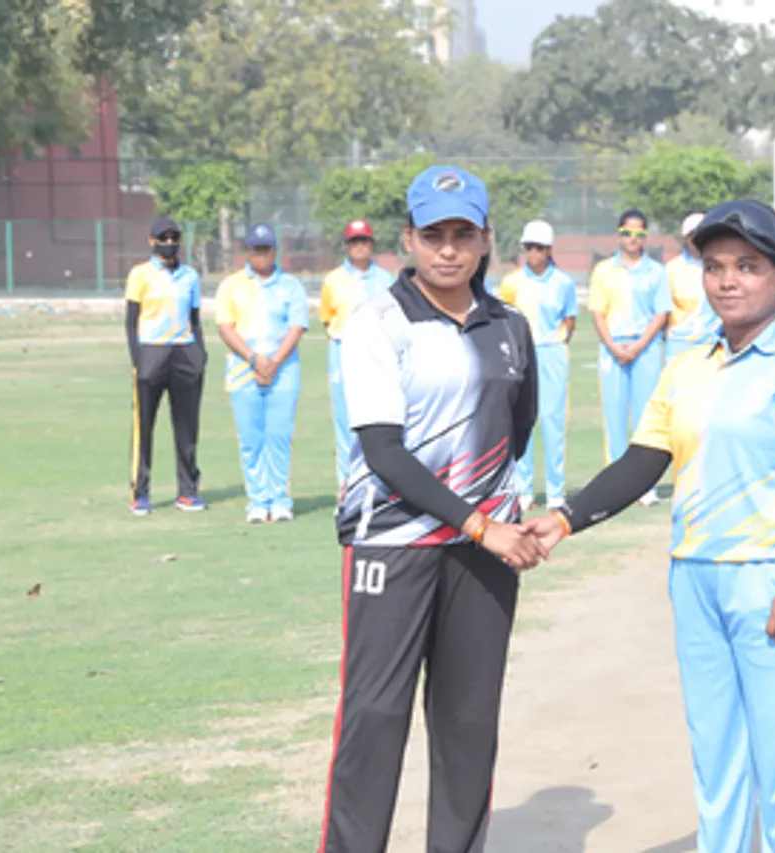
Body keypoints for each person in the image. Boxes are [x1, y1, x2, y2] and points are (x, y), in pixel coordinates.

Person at [526, 199, 775, 853]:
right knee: (716, 751)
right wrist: (564, 520)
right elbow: (643, 462)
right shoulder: (688, 366)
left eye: (748, 266)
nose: (728, 281)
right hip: (696, 577)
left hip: (772, 579)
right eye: (716, 266)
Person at [318, 165, 543, 853]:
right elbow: (384, 452)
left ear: (485, 240)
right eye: (433, 234)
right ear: (408, 238)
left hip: (483, 555)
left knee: (468, 723)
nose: (448, 249)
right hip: (394, 543)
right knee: (375, 718)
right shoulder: (378, 322)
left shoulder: (510, 327)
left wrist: (487, 523)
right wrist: (479, 522)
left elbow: (517, 427)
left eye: (463, 235)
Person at [215, 223, 308, 523]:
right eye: (256, 250)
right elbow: (225, 327)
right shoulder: (231, 285)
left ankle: (279, 499)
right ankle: (258, 500)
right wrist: (254, 359)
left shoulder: (291, 286)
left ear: (274, 251)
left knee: (279, 436)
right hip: (244, 370)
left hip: (284, 371)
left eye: (266, 249)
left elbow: (297, 327)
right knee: (251, 438)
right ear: (247, 252)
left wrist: (274, 363)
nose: (261, 255)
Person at [588, 208, 672, 505]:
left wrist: (638, 346)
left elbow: (661, 314)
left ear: (645, 237)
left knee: (646, 420)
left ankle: (645, 488)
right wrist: (613, 346)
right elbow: (597, 312)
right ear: (619, 235)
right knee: (614, 419)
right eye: (627, 233)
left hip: (645, 349)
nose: (632, 239)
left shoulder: (656, 272)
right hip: (613, 348)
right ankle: (615, 488)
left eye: (638, 233)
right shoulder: (604, 271)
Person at [125, 215, 207, 515]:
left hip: (184, 353)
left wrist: (199, 355)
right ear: (152, 241)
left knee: (187, 428)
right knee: (144, 427)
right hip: (152, 352)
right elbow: (131, 321)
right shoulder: (140, 274)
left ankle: (187, 492)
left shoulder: (190, 276)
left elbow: (195, 319)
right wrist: (139, 358)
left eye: (174, 238)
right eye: (163, 238)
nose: (169, 243)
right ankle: (140, 493)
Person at [497, 218, 577, 511]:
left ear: (549, 250)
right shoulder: (512, 282)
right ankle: (523, 490)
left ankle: (556, 492)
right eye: (529, 247)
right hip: (521, 354)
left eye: (539, 248)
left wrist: (557, 341)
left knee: (553, 421)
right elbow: (503, 318)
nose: (533, 253)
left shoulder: (563, 282)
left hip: (551, 352)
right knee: (523, 419)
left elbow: (569, 319)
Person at [319, 219, 396, 491]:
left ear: (372, 244)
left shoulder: (386, 280)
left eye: (364, 241)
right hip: (343, 349)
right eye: (354, 241)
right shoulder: (333, 280)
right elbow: (328, 319)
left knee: (378, 417)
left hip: (378, 352)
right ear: (346, 246)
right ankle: (348, 486)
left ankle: (377, 484)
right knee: (345, 421)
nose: (359, 246)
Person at [664, 211, 716, 361]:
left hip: (713, 342)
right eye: (692, 234)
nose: (697, 238)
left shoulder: (721, 265)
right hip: (680, 344)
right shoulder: (672, 269)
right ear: (686, 237)